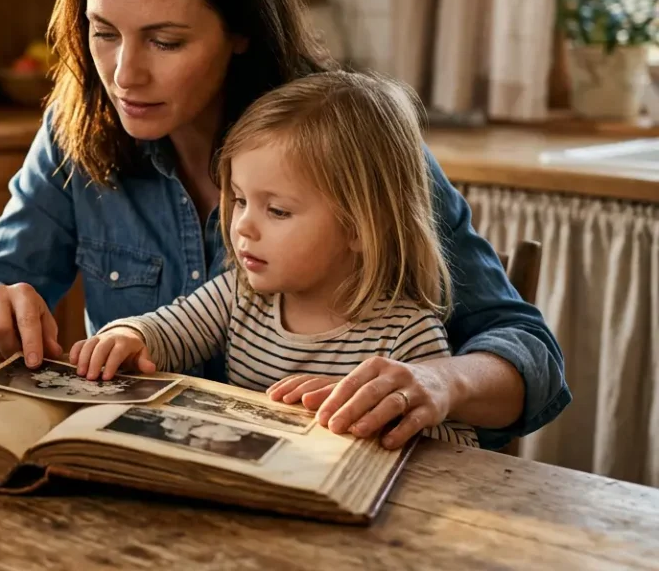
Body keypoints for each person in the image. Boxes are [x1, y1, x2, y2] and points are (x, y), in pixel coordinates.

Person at [0, 0, 567, 450]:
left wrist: (441, 380)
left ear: (241, 30)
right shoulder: (75, 128)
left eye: (165, 41)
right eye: (103, 33)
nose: (124, 75)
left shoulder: (344, 142)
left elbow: (531, 355)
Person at [70, 72, 479, 448]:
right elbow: (168, 330)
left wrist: (382, 417)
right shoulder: (239, 294)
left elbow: (457, 449)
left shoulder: (407, 333)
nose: (243, 227)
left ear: (359, 228)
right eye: (241, 200)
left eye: (278, 211)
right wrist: (128, 335)